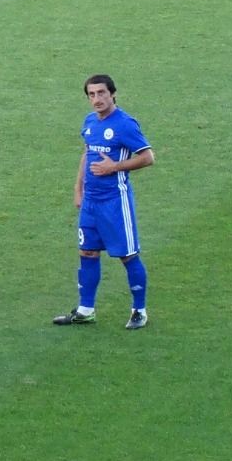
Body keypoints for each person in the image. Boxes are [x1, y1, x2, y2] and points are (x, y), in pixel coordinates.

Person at [54, 74, 153, 329]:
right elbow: (87, 154)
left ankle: (139, 311)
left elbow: (148, 157)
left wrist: (114, 167)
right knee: (87, 251)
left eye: (101, 93)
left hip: (115, 203)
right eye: (91, 94)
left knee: (128, 256)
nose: (97, 99)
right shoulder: (89, 122)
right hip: (91, 202)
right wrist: (78, 188)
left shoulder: (125, 124)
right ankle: (86, 310)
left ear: (112, 94)